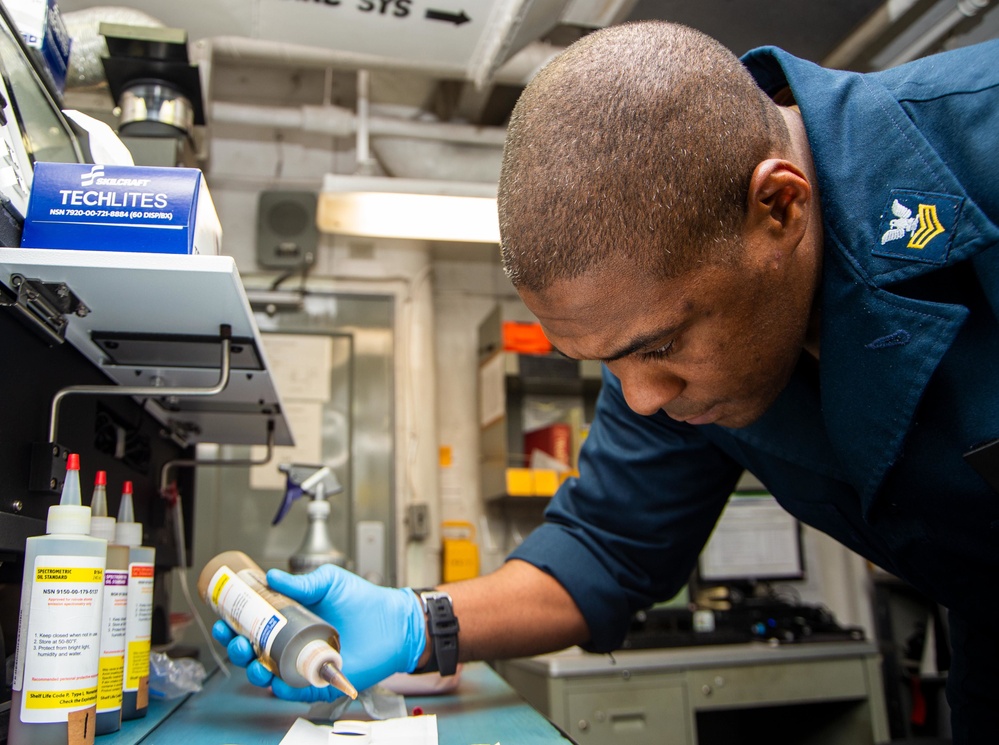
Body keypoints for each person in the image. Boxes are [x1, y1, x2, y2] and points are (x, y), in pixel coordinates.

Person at [214, 21, 999, 742]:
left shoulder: (981, 146)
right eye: (608, 364)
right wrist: (419, 620)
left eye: (656, 346)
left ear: (779, 207)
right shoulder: (669, 348)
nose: (643, 396)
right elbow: (607, 545)